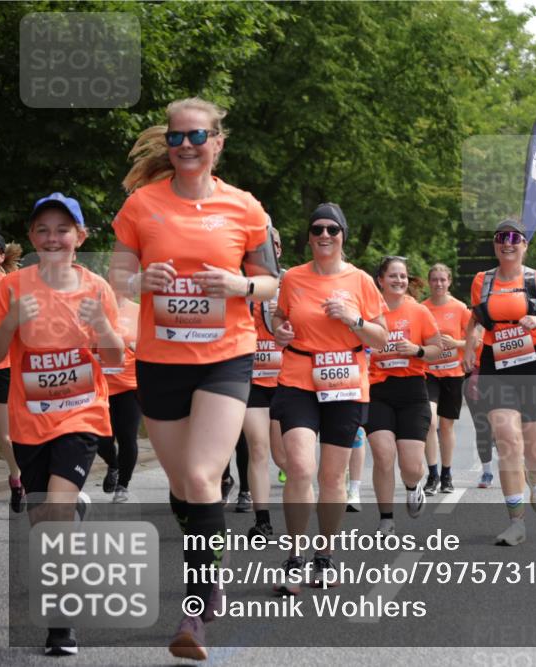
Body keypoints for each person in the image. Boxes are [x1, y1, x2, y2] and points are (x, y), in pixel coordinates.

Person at [110, 97, 280, 661]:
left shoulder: (244, 208)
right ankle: (209, 566)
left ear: (217, 143)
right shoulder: (141, 205)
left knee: (205, 476)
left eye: (197, 136)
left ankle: (198, 604)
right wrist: (141, 281)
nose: (186, 146)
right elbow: (119, 276)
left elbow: (270, 285)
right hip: (160, 360)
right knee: (184, 485)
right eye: (178, 137)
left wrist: (238, 288)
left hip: (225, 355)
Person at [0, 193, 124, 656]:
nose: (52, 237)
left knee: (58, 512)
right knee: (43, 523)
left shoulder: (96, 289)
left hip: (81, 413)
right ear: (31, 238)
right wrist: (8, 324)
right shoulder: (9, 288)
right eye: (43, 229)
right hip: (30, 421)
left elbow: (116, 358)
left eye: (63, 230)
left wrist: (103, 330)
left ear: (80, 237)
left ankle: (61, 625)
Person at [269, 203, 387, 592]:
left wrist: (352, 320)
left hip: (346, 383)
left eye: (332, 230)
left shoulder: (361, 281)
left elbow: (381, 337)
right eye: (317, 229)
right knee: (300, 468)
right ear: (308, 236)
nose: (324, 235)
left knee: (332, 476)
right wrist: (280, 332)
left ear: (342, 236)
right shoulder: (294, 279)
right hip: (299, 378)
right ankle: (294, 558)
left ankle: (325, 556)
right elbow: (279, 321)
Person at [463, 219, 536, 546]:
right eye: (500, 238)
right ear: (495, 245)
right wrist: (470, 343)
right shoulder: (482, 281)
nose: (506, 243)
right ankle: (516, 522)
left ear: (524, 245)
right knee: (507, 439)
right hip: (497, 366)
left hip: (534, 365)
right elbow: (475, 319)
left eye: (514, 238)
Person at [367, 256, 441, 534]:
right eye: (393, 276)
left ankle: (413, 486)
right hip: (377, 390)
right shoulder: (370, 310)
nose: (399, 281)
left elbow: (436, 349)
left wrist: (418, 351)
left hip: (412, 391)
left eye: (403, 276)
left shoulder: (419, 311)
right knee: (383, 455)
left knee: (412, 467)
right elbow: (356, 345)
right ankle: (386, 518)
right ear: (381, 280)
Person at [239, 226, 284, 536]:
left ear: (278, 250)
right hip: (252, 380)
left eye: (273, 245)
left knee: (285, 457)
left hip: (286, 382)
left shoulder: (293, 283)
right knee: (257, 447)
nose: (269, 249)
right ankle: (263, 521)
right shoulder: (242, 286)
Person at [421, 264, 470, 495]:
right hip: (428, 373)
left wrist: (456, 344)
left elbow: (475, 341)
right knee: (430, 423)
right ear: (429, 282)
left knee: (446, 426)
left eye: (443, 279)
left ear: (449, 281)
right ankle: (432, 474)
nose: (438, 284)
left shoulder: (460, 308)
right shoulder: (421, 308)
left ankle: (447, 473)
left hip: (453, 374)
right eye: (434, 280)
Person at [0, 231, 25, 512]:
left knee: (5, 435)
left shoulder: (10, 285)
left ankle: (16, 477)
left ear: (1, 256)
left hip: (1, 366)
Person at [96, 290, 141, 503]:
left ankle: (123, 485)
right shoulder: (94, 311)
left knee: (127, 437)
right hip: (98, 386)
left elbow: (151, 345)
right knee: (100, 439)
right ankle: (113, 464)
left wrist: (137, 347)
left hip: (128, 386)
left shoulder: (137, 311)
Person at [463, 323, 495, 488]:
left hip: (501, 377)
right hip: (475, 376)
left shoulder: (510, 320)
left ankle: (514, 466)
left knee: (502, 426)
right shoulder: (473, 323)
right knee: (482, 427)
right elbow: (472, 342)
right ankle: (487, 472)